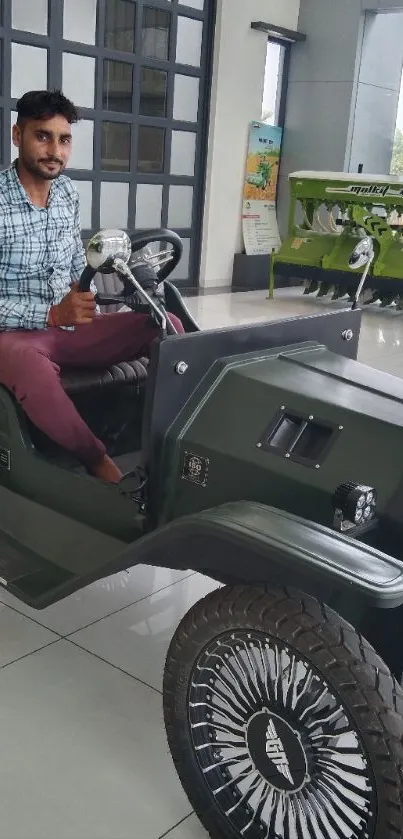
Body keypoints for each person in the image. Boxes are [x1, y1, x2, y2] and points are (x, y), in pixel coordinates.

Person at [0, 89, 183, 483]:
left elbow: (72, 267)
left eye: (64, 140)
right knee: (32, 369)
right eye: (42, 136)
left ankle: (170, 439)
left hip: (64, 328)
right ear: (18, 136)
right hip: (13, 336)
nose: (55, 150)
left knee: (164, 322)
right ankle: (100, 464)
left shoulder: (67, 193)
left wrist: (90, 306)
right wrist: (49, 314)